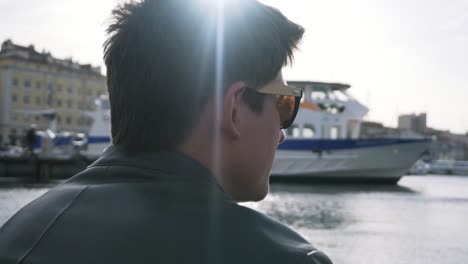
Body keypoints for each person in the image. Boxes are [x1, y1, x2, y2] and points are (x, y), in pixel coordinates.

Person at [0, 0, 333, 263]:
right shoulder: (285, 258)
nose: (281, 133)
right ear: (233, 110)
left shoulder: (17, 232)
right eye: (284, 104)